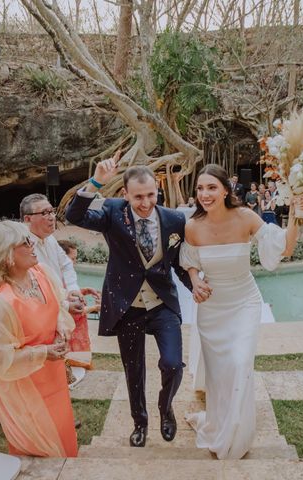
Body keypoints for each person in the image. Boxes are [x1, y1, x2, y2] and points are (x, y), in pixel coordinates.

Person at [65, 151, 191, 448]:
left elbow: (177, 262)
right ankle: (140, 422)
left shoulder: (173, 219)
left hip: (162, 305)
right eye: (138, 198)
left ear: (157, 191)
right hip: (128, 307)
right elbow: (74, 215)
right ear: (125, 194)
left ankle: (166, 408)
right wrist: (96, 181)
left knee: (172, 364)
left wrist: (195, 283)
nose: (145, 203)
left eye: (151, 195)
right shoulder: (111, 212)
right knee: (133, 371)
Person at [179, 164, 303, 460]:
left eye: (211, 187)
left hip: (244, 302)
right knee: (220, 374)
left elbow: (284, 248)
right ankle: (220, 424)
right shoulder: (193, 226)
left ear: (226, 189)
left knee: (239, 363)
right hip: (211, 309)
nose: (205, 194)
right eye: (200, 188)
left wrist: (297, 217)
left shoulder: (246, 217)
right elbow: (189, 260)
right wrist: (196, 282)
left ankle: (238, 433)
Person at [0, 220, 77, 457]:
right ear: (7, 254)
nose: (33, 245)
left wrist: (61, 328)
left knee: (62, 432)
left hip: (53, 376)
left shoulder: (40, 273)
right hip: (24, 385)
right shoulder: (1, 304)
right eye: (25, 242)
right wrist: (44, 352)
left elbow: (58, 304)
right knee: (41, 447)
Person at [21, 193, 99, 373]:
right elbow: (34, 288)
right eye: (44, 213)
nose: (51, 217)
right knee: (44, 360)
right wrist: (65, 304)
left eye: (52, 211)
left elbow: (65, 266)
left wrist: (72, 290)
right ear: (27, 219)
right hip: (38, 313)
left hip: (57, 304)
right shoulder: (22, 246)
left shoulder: (50, 239)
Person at [57, 238, 101, 369]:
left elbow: (66, 297)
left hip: (79, 335)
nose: (74, 263)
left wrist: (85, 290)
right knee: (77, 371)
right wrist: (96, 307)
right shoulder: (57, 278)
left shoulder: (64, 277)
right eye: (72, 259)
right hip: (72, 338)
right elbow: (71, 312)